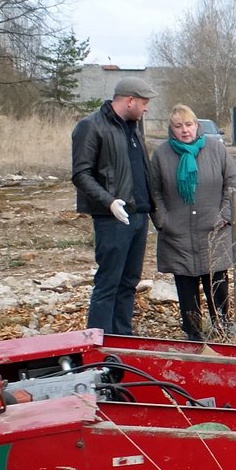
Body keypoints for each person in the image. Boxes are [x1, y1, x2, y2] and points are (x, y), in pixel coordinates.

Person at [71, 76, 158, 335]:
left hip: (138, 216)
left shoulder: (133, 127)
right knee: (108, 282)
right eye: (143, 102)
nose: (146, 108)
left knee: (129, 283)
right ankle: (98, 344)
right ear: (129, 100)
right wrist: (109, 203)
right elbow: (81, 174)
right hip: (113, 219)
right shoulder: (91, 126)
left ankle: (122, 340)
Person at [147, 104, 236, 341]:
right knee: (186, 284)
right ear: (171, 129)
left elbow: (232, 182)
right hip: (177, 233)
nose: (185, 131)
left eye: (189, 125)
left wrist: (226, 215)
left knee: (217, 282)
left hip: (214, 229)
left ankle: (223, 325)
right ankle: (193, 332)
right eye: (178, 126)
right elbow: (153, 192)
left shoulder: (215, 149)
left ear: (197, 126)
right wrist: (163, 220)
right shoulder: (162, 155)